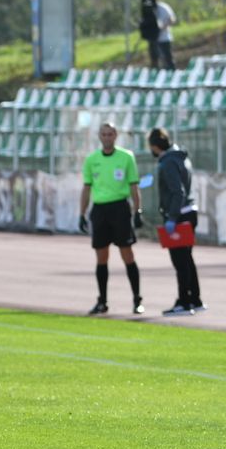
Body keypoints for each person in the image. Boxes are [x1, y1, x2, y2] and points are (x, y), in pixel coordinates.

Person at [79, 122, 145, 315]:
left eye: (110, 134)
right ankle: (102, 301)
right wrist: (81, 214)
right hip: (100, 210)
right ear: (99, 136)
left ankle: (137, 299)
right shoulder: (92, 160)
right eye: (104, 134)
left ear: (115, 136)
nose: (107, 137)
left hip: (120, 209)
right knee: (101, 257)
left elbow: (134, 185)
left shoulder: (126, 157)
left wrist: (137, 210)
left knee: (127, 254)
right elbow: (87, 187)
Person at [149, 126, 204, 315]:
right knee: (187, 259)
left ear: (155, 146)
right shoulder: (181, 157)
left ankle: (183, 301)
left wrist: (172, 218)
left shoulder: (168, 162)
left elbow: (177, 191)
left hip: (179, 214)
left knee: (180, 260)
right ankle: (195, 299)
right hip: (189, 211)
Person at [144, 0, 177, 71]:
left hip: (164, 38)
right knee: (154, 60)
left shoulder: (163, 7)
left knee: (167, 59)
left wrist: (162, 26)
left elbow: (172, 19)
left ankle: (171, 74)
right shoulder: (148, 10)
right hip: (153, 39)